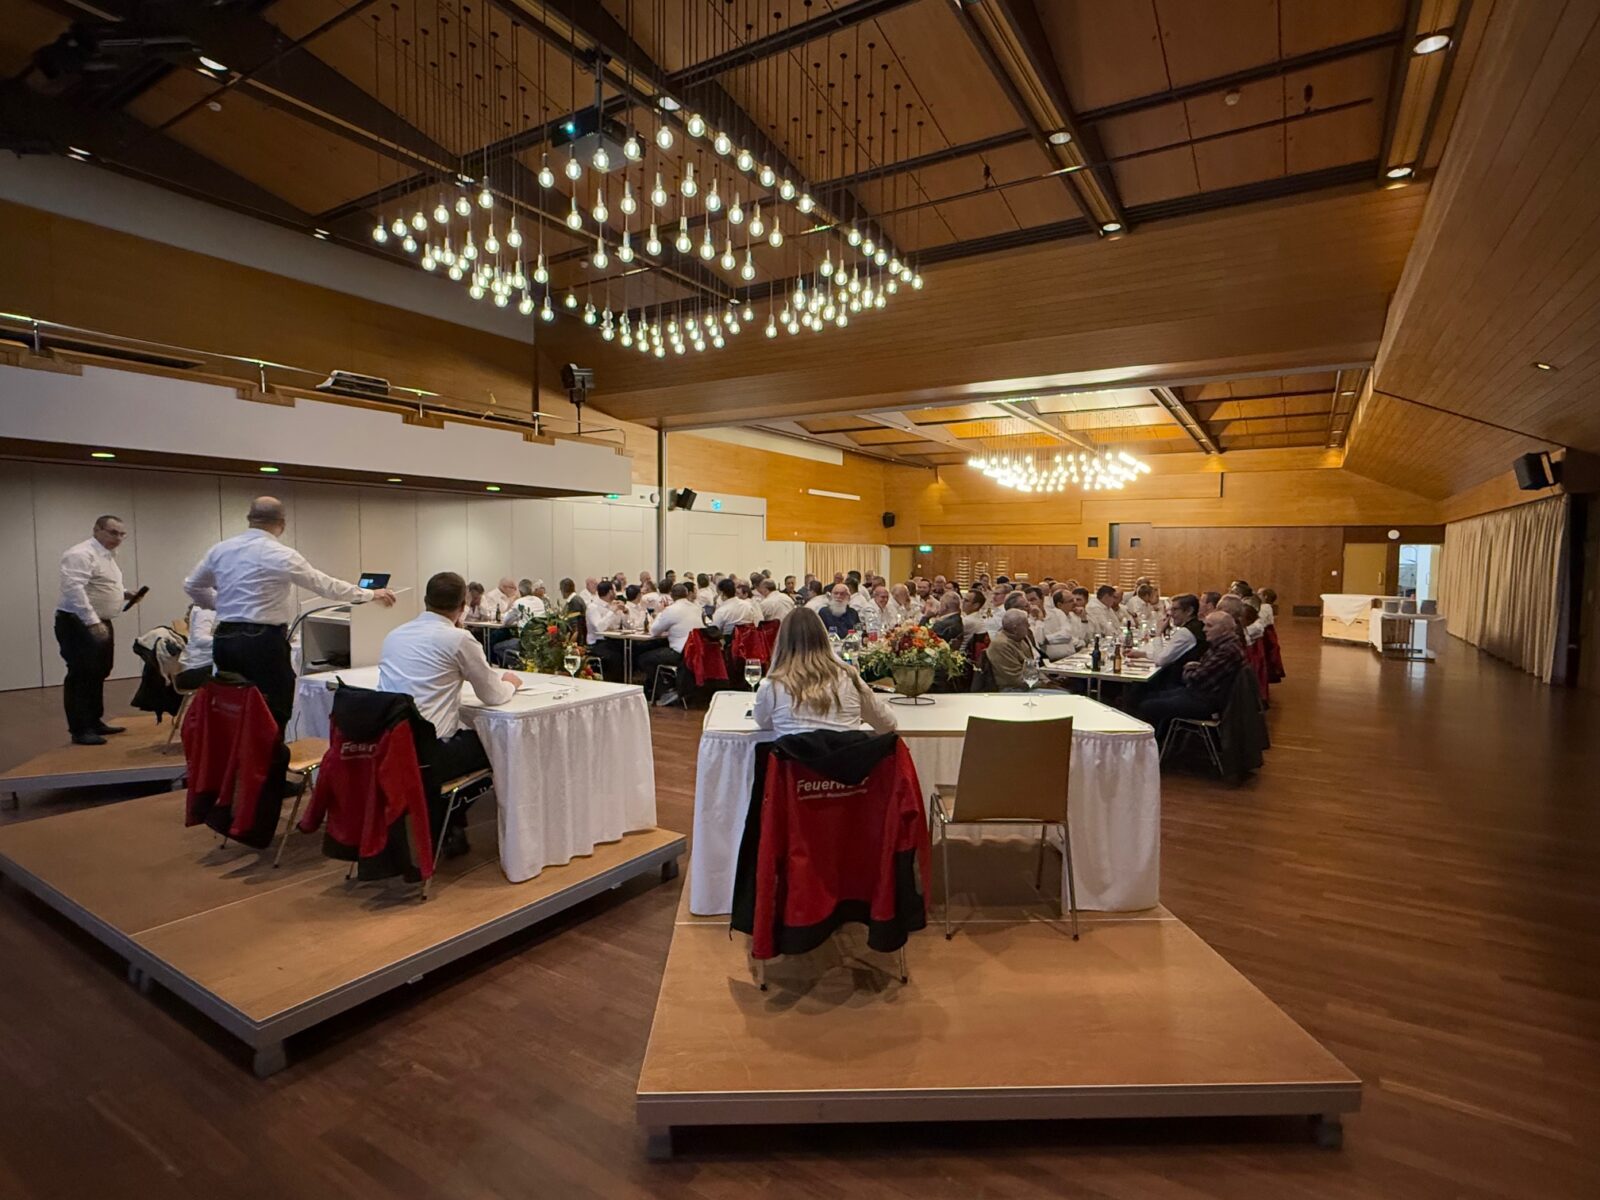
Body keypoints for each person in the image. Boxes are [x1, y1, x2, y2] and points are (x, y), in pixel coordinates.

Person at [184, 496, 396, 801]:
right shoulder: (280, 554)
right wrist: (370, 594)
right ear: (281, 524)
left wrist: (224, 606)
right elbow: (325, 585)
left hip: (226, 639)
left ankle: (235, 778)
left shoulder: (220, 549)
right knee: (273, 712)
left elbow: (192, 585)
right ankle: (268, 782)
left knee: (232, 708)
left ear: (249, 519)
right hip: (262, 642)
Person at [378, 572, 518, 855]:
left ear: (425, 600)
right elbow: (492, 695)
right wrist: (511, 684)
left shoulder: (395, 635)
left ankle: (449, 823)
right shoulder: (458, 639)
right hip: (430, 752)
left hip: (391, 745)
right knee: (501, 745)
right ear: (463, 605)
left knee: (469, 738)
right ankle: (449, 816)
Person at [54, 514, 143, 744]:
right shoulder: (80, 554)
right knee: (82, 673)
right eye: (113, 532)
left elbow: (100, 584)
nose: (118, 538)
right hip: (78, 622)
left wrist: (125, 594)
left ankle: (94, 721)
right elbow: (74, 590)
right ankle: (80, 729)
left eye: (122, 534)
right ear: (97, 530)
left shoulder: (107, 556)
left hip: (99, 621)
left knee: (100, 670)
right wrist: (92, 622)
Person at [752, 607, 897, 736]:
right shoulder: (849, 678)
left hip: (794, 757)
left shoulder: (771, 686)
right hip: (846, 757)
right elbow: (887, 724)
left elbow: (764, 724)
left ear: (782, 642)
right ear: (824, 637)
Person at [1136, 611, 1245, 741]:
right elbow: (1204, 669)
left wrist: (1188, 670)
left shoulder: (1227, 650)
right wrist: (1197, 667)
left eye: (1209, 626)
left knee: (1148, 705)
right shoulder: (1224, 645)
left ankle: (1151, 746)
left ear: (1224, 629)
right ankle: (1162, 742)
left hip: (1206, 701)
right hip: (1203, 693)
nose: (1204, 630)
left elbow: (1195, 678)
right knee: (1149, 695)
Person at [639, 582, 702, 704]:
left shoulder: (671, 610)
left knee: (644, 659)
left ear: (672, 596)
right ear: (686, 594)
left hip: (680, 653)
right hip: (694, 651)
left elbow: (654, 631)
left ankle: (665, 691)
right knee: (658, 652)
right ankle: (669, 685)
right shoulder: (696, 608)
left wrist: (661, 613)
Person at [1129, 593, 1207, 674]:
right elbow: (1167, 655)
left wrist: (1158, 633)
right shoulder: (1197, 626)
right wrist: (1143, 654)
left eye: (1175, 609)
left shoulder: (1186, 633)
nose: (1171, 613)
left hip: (1178, 679)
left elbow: (1160, 660)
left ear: (1189, 611)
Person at [984, 609, 1038, 691]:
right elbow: (1016, 679)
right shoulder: (1001, 645)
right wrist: (1045, 684)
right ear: (1015, 629)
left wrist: (1049, 681)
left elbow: (1032, 667)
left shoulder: (1019, 638)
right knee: (1058, 694)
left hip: (1029, 683)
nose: (1029, 626)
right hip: (1013, 689)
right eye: (1026, 624)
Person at [585, 581, 625, 681]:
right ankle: (615, 683)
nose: (616, 593)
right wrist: (612, 611)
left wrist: (625, 611)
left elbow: (619, 625)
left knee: (632, 651)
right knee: (616, 656)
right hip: (597, 642)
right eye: (615, 590)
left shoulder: (613, 605)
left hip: (613, 640)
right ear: (610, 592)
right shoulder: (593, 607)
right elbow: (600, 628)